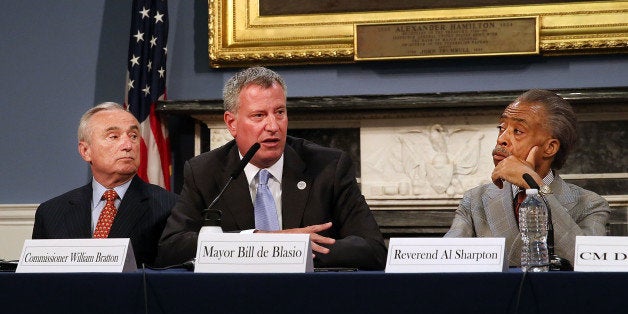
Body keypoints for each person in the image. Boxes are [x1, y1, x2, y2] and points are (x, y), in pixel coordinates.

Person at [157, 66, 387, 270]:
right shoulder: (205, 172)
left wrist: (301, 250)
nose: (273, 126)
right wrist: (264, 241)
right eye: (259, 115)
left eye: (280, 112)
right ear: (232, 123)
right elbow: (171, 248)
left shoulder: (328, 167)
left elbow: (373, 249)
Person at [445, 89, 610, 267]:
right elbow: (444, 262)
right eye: (501, 128)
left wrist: (536, 187)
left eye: (517, 131)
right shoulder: (474, 201)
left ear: (549, 148)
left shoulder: (590, 204)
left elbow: (588, 263)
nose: (502, 139)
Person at [32, 102, 178, 267]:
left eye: (133, 136)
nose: (128, 146)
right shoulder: (51, 213)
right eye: (114, 136)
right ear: (86, 151)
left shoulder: (170, 207)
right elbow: (39, 282)